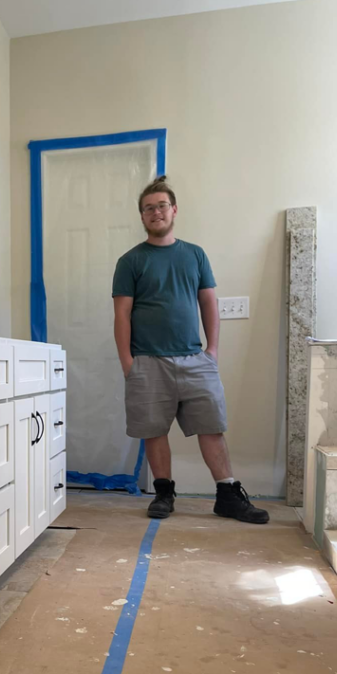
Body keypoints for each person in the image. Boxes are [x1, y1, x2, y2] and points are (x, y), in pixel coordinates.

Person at [111, 176, 269, 524]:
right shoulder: (130, 261)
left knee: (211, 426)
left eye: (161, 205)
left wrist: (212, 351)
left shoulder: (195, 255)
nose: (156, 212)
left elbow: (209, 303)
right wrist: (127, 362)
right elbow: (122, 313)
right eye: (148, 208)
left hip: (195, 358)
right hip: (146, 360)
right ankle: (164, 493)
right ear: (142, 216)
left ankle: (227, 494)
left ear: (174, 210)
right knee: (154, 430)